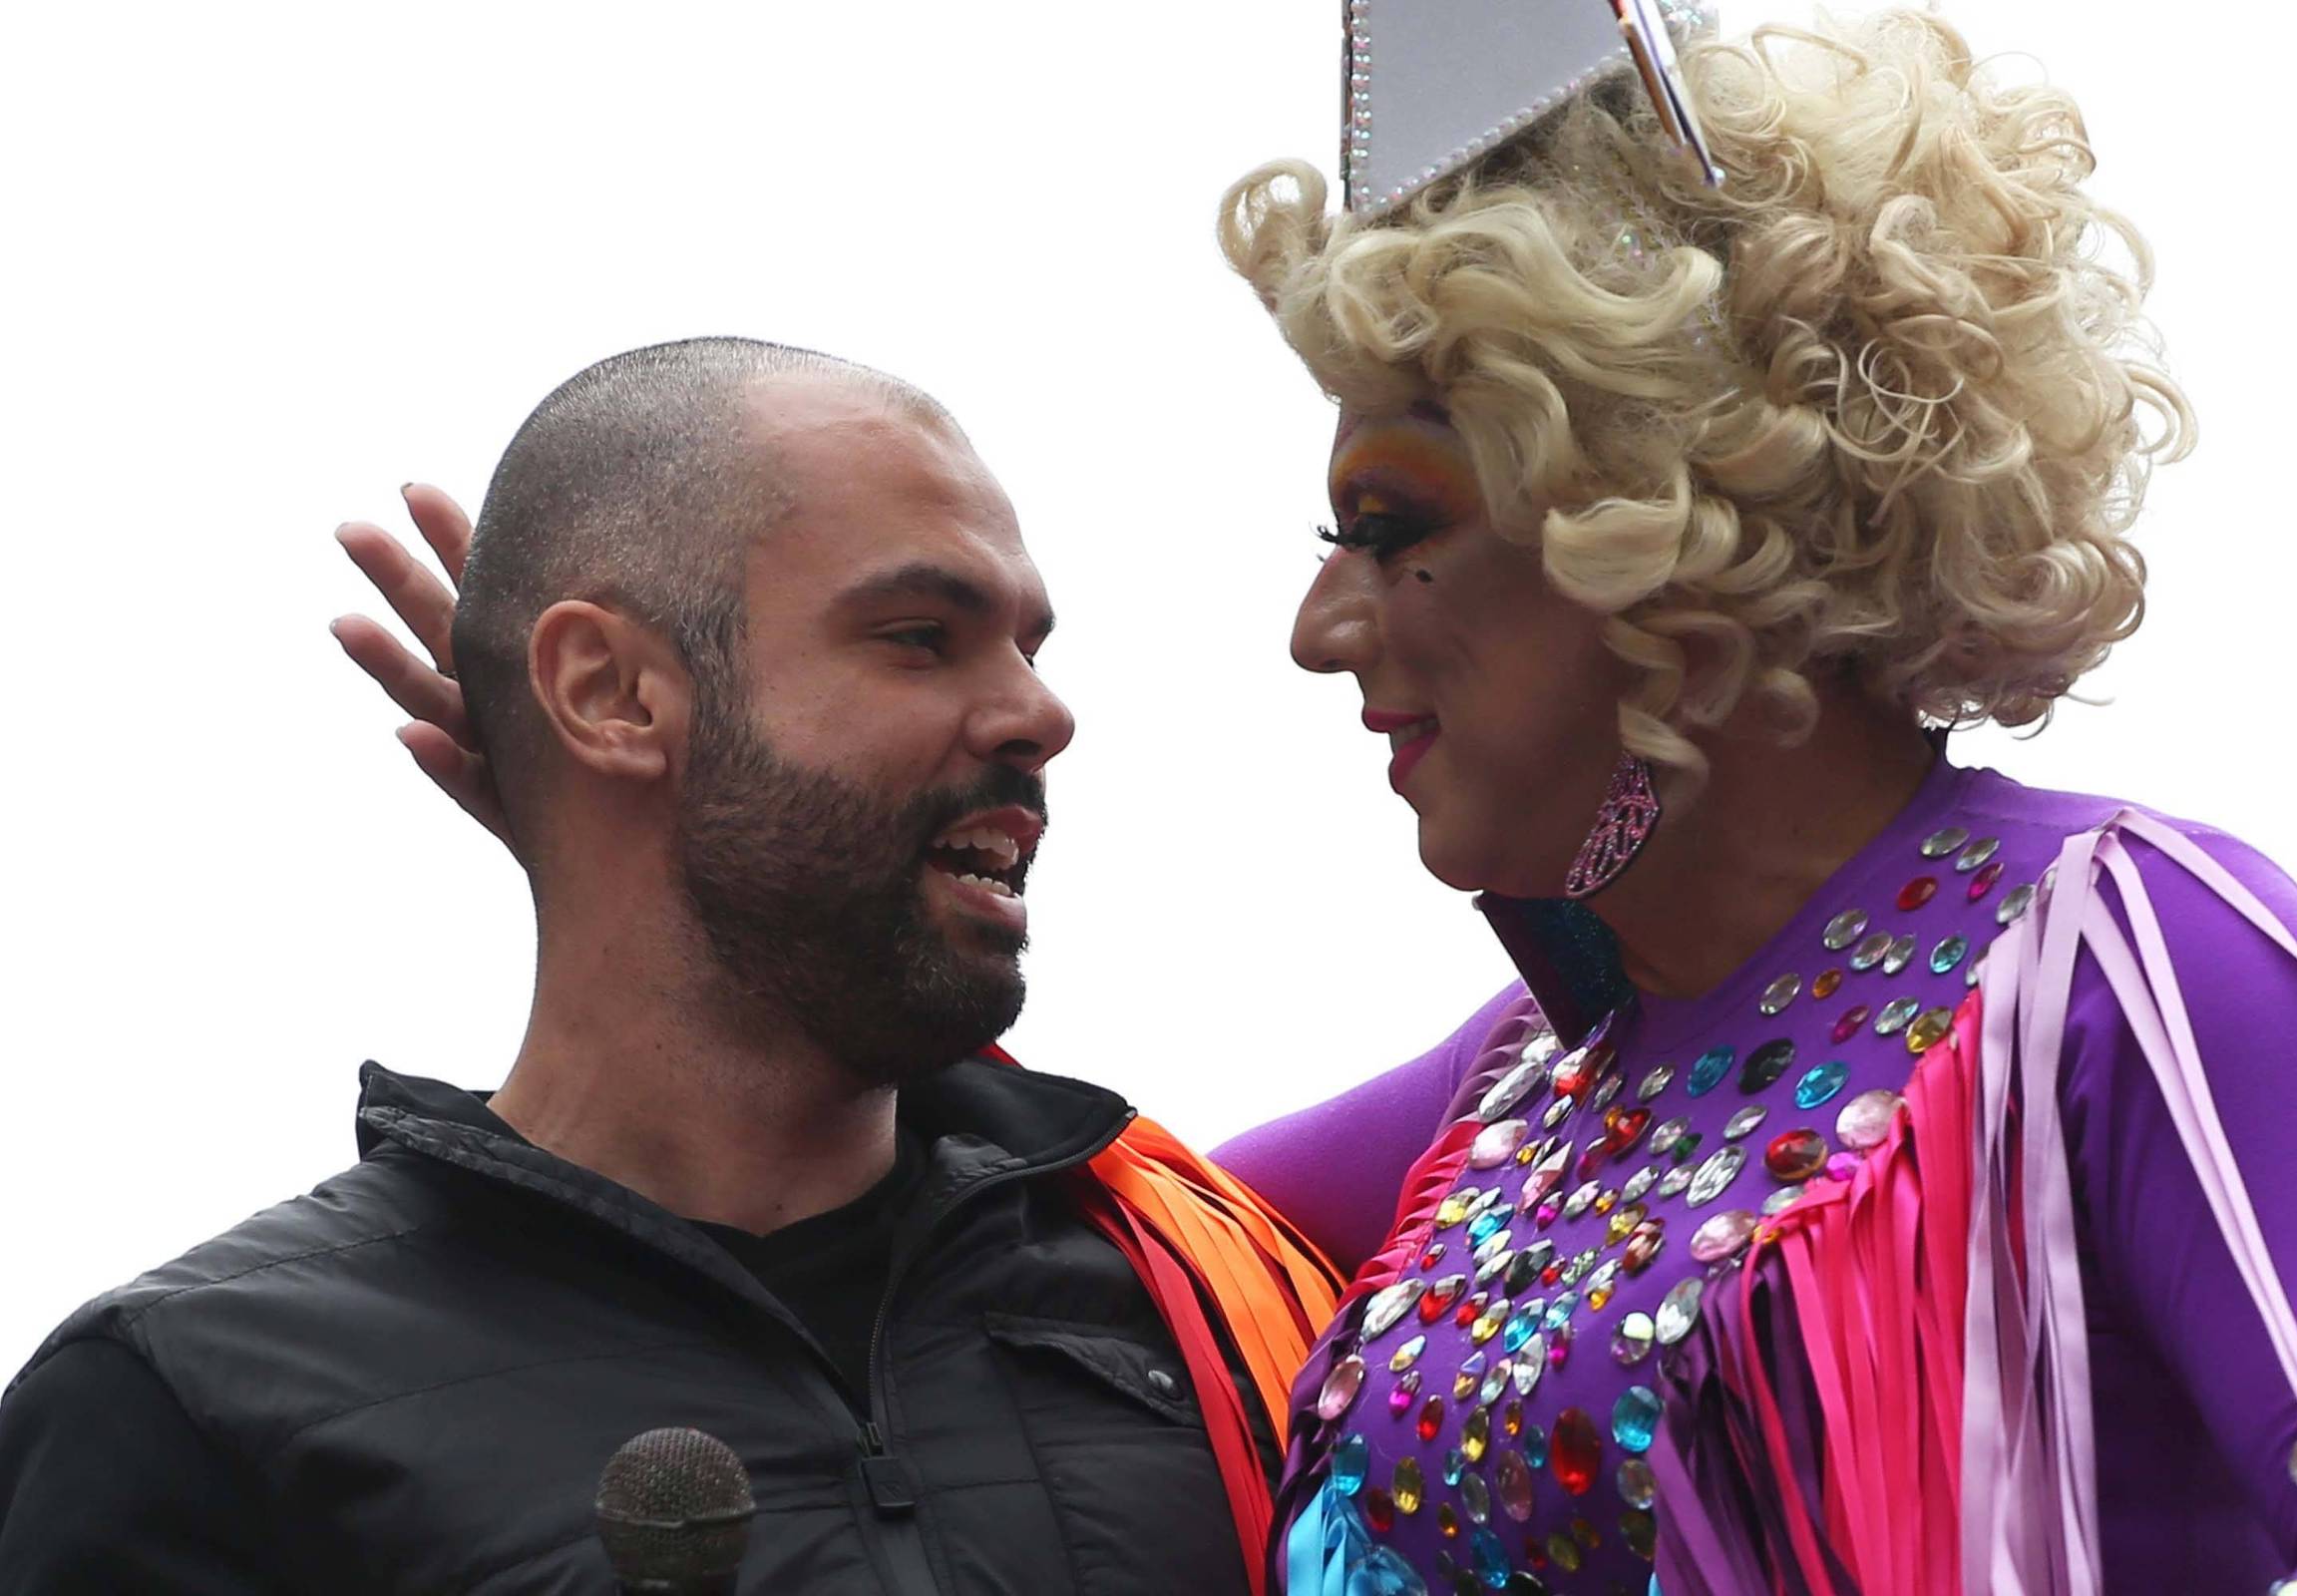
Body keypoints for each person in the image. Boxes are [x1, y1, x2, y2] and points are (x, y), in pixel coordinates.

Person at [1196, 5, 2297, 1595]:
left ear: (1663, 515)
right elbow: (1037, 1213)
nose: (1319, 633)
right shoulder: (1510, 1089)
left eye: (1389, 522)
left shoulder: (2118, 957)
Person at [0, 339, 1337, 1593]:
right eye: (921, 637)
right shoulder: (190, 1401)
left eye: (1030, 649)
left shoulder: (1202, 1298)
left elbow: (1544, 1087)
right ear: (610, 693)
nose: (1043, 715)